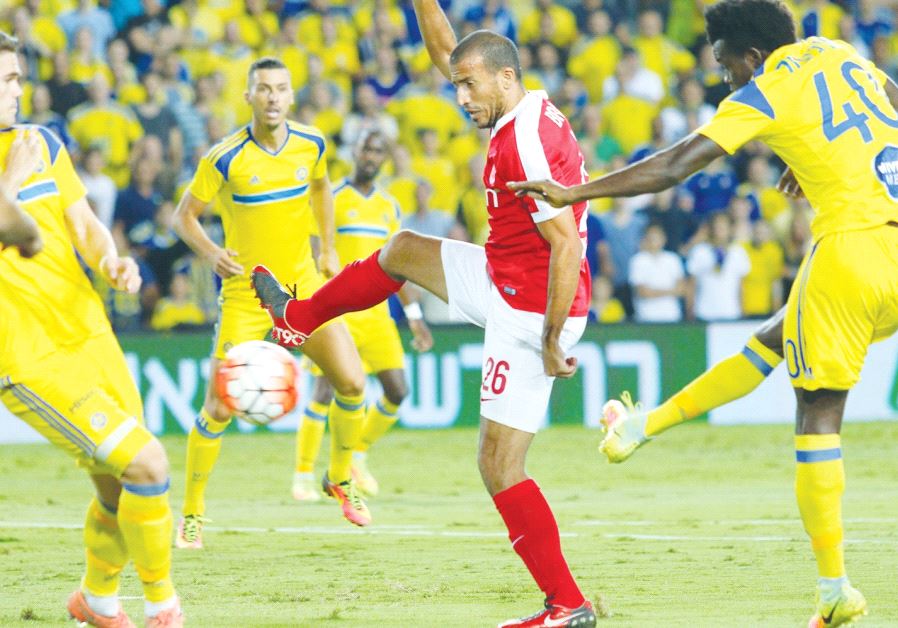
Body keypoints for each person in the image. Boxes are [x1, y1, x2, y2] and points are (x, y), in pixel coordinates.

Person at [509, 1, 898, 624]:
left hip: (850, 250)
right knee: (779, 334)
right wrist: (815, 157)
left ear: (753, 56)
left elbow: (675, 165)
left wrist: (576, 191)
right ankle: (644, 426)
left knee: (818, 414)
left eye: (725, 63)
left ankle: (833, 589)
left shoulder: (763, 91)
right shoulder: (839, 51)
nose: (723, 77)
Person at [251, 2, 598, 626]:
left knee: (498, 465)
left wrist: (550, 340)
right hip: (505, 275)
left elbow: (567, 245)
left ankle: (566, 605)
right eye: (457, 84)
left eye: (468, 85)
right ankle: (298, 318)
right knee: (403, 249)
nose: (459, 96)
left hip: (530, 307)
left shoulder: (525, 143)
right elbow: (446, 50)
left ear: (504, 77)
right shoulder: (517, 103)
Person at [0, 32, 183, 628]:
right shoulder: (18, 157)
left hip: (90, 333)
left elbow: (82, 222)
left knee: (119, 486)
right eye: (7, 80)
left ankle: (97, 600)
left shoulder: (42, 142)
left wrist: (110, 260)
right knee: (148, 464)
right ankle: (164, 607)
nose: (18, 90)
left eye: (18, 77)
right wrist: (9, 180)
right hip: (28, 358)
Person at [172, 56, 372, 545]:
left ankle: (339, 477)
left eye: (281, 88)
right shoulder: (224, 158)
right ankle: (192, 512)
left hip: (303, 289)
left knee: (352, 383)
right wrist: (212, 253)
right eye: (264, 88)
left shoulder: (312, 144)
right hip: (246, 297)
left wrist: (328, 248)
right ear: (249, 96)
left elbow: (322, 188)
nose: (273, 97)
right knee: (218, 408)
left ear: (291, 96)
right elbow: (183, 216)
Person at [293, 130, 433, 501]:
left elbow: (398, 265)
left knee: (397, 391)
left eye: (378, 150)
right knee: (324, 391)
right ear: (354, 152)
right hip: (337, 313)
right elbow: (312, 251)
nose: (371, 156)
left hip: (377, 316)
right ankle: (303, 474)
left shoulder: (389, 206)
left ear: (385, 158)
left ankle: (356, 454)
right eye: (366, 149)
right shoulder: (332, 197)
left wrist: (414, 315)